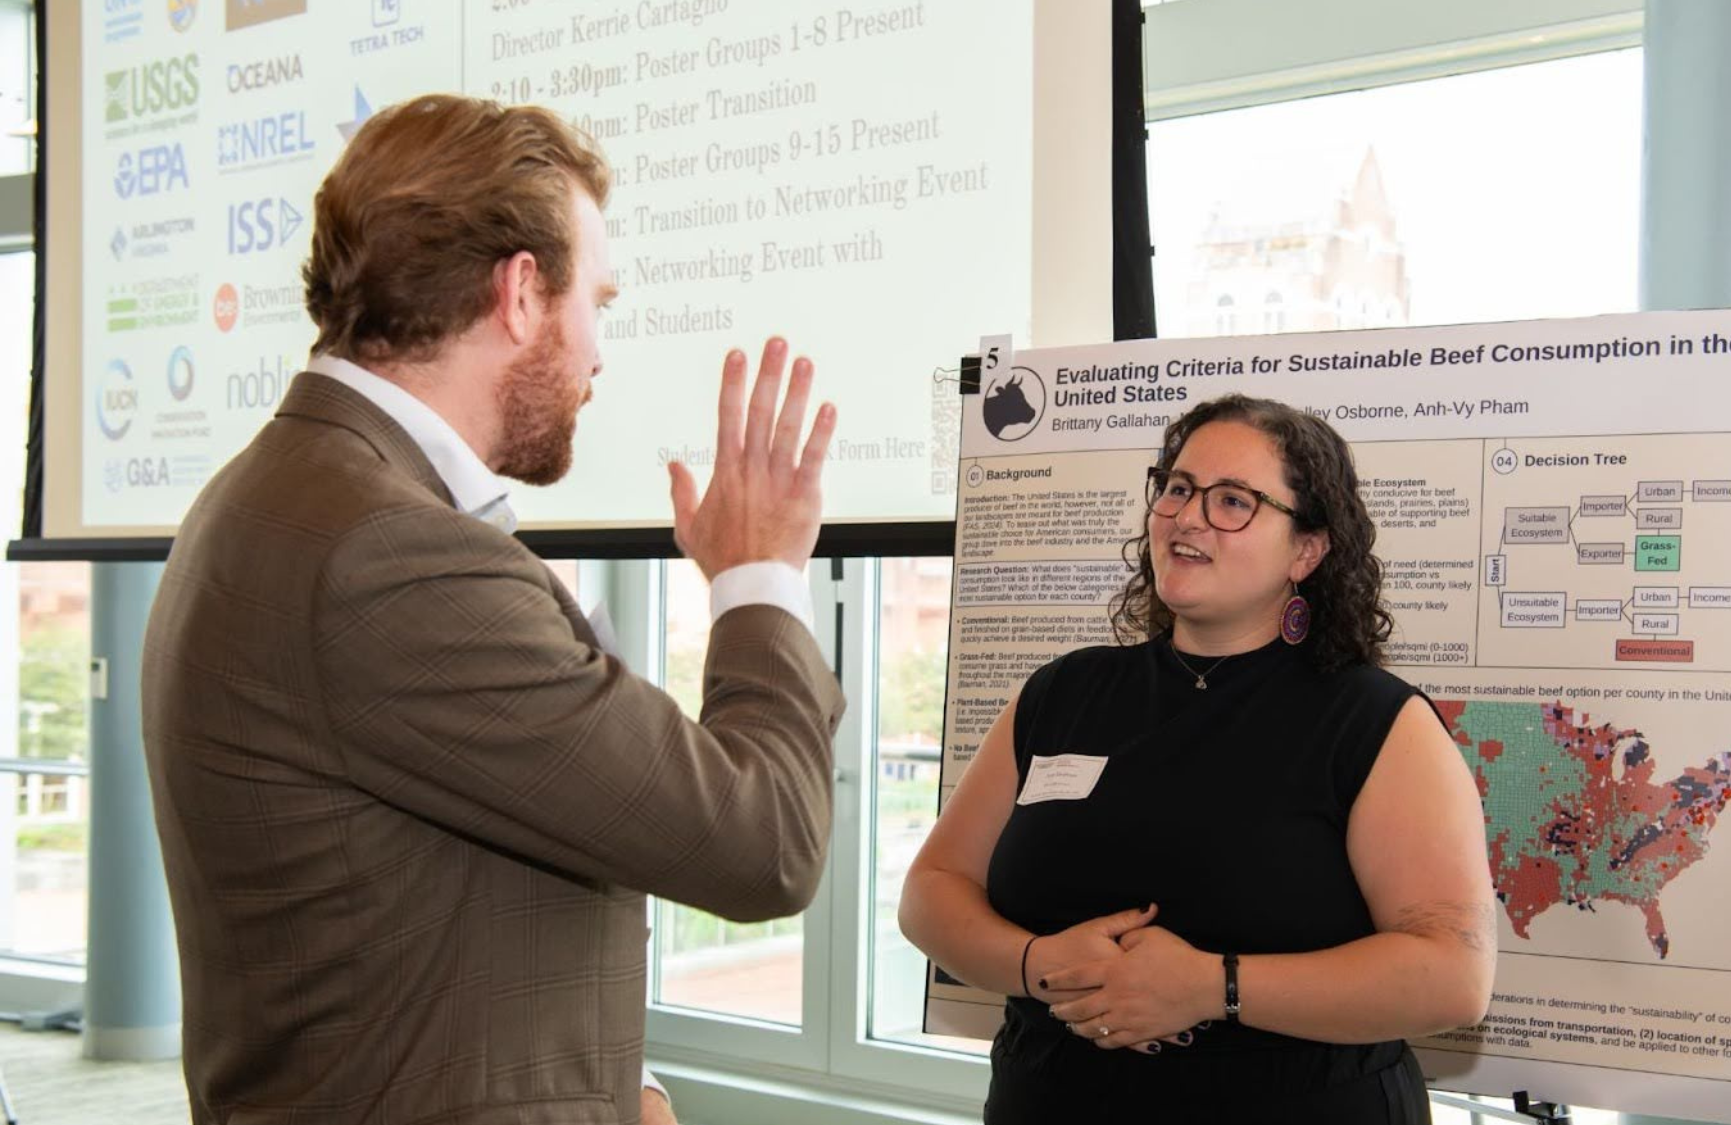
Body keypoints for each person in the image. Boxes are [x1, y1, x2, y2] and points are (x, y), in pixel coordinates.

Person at [140, 94, 842, 1125]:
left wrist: (618, 1086)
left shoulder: (287, 491)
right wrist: (755, 578)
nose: (600, 352)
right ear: (519, 292)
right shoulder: (392, 553)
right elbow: (762, 842)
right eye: (594, 301)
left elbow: (436, 896)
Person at [900, 394, 1496, 1123]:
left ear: (1305, 551)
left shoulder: (1374, 721)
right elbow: (932, 888)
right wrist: (1038, 963)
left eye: (1233, 501)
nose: (1187, 516)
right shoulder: (1063, 692)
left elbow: (1452, 974)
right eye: (1178, 488)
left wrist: (1216, 986)